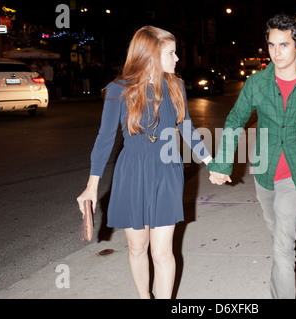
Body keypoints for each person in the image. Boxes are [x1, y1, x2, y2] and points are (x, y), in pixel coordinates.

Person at [207, 13, 296, 299]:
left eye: (284, 45)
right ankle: (280, 265)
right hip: (263, 171)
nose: (277, 53)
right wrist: (222, 162)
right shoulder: (257, 84)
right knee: (276, 228)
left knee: (284, 244)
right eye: (271, 45)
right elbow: (235, 120)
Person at [76, 26, 212, 299]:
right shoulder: (118, 89)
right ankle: (143, 296)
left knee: (162, 251)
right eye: (171, 53)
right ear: (151, 54)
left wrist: (211, 161)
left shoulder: (176, 85)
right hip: (132, 171)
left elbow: (186, 127)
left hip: (166, 169)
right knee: (137, 247)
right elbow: (104, 139)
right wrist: (92, 186)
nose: (176, 59)